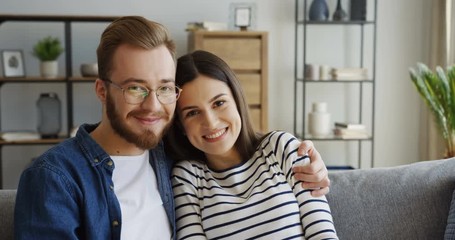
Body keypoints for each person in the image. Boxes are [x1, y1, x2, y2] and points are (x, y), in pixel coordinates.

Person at [14, 16, 329, 239]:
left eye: (164, 88)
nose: (153, 105)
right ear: (101, 90)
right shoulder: (54, 178)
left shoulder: (173, 158)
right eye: (135, 88)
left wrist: (311, 160)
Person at [166, 50, 338, 239]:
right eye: (192, 113)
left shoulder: (281, 147)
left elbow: (323, 234)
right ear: (180, 125)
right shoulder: (187, 178)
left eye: (219, 103)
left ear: (237, 100)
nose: (211, 123)